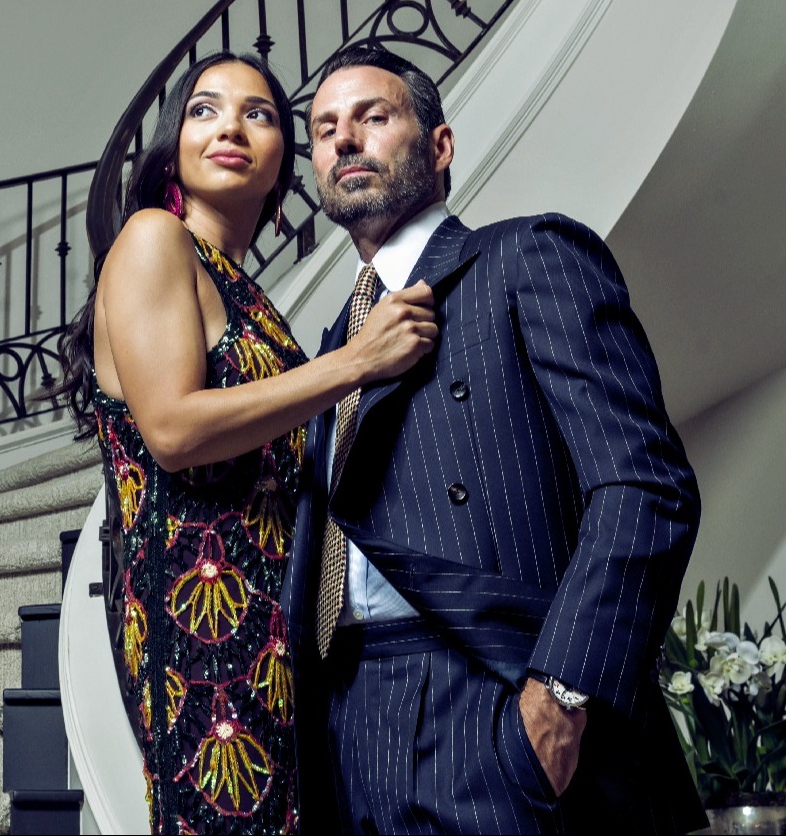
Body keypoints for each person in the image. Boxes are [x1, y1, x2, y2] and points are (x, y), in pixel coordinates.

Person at [281, 41, 705, 834]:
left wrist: (559, 695)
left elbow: (644, 485)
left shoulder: (526, 254)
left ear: (438, 146)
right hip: (345, 713)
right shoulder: (333, 344)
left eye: (373, 116)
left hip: (488, 690)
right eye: (323, 126)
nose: (343, 139)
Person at [59, 51, 438, 835]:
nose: (231, 125)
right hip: (203, 638)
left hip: (276, 639)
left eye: (258, 114)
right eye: (205, 109)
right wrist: (353, 363)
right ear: (172, 146)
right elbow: (171, 429)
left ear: (280, 167)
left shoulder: (241, 288)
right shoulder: (152, 238)